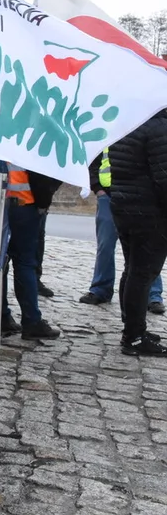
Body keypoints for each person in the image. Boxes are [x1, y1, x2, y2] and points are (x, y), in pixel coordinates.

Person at [106, 113, 167, 356]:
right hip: (150, 212)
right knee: (142, 275)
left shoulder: (126, 121)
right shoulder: (159, 126)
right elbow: (164, 178)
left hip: (124, 205)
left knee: (132, 270)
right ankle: (133, 336)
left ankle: (132, 326)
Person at [80, 146, 165, 313]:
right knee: (105, 245)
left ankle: (153, 295)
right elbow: (93, 159)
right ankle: (100, 289)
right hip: (109, 196)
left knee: (145, 249)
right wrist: (98, 188)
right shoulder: (109, 131)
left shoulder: (144, 129)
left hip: (139, 196)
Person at [0, 163, 62, 340]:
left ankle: (2, 316)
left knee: (0, 262)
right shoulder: (31, 136)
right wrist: (43, 203)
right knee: (25, 263)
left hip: (0, 200)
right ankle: (32, 321)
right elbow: (41, 174)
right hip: (24, 203)